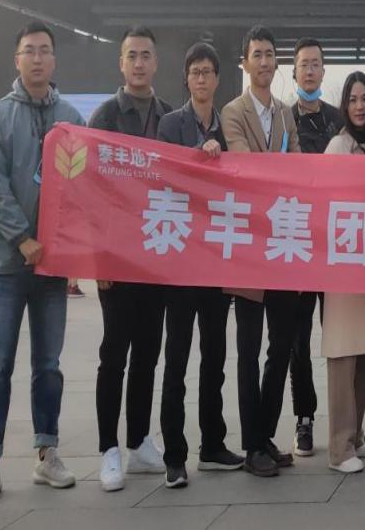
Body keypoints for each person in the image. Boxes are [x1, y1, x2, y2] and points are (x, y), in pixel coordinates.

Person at [0, 21, 83, 504]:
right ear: (17, 60)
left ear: (54, 59)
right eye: (29, 51)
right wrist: (23, 239)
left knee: (48, 364)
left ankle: (47, 452)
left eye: (45, 50)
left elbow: (82, 187)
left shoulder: (69, 118)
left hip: (52, 267)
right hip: (7, 264)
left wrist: (70, 245)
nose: (38, 58)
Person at [155, 43, 244, 488]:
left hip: (215, 257)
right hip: (180, 258)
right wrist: (197, 154)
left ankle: (212, 444)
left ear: (217, 79)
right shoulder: (171, 124)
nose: (202, 78)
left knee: (215, 357)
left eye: (208, 71)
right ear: (186, 78)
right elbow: (162, 175)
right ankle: (174, 455)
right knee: (176, 359)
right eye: (195, 72)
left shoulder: (228, 127)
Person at [89, 25, 174, 491]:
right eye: (132, 56)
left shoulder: (168, 117)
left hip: (156, 253)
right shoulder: (105, 116)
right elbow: (91, 190)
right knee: (114, 354)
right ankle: (109, 449)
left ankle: (140, 441)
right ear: (121, 63)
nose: (139, 63)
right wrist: (99, 258)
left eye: (146, 55)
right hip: (117, 258)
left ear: (156, 63)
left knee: (147, 352)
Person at [221, 25, 302, 477]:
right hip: (249, 247)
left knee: (281, 346)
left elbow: (298, 170)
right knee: (249, 350)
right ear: (245, 62)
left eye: (270, 54)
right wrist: (278, 170)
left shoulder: (287, 115)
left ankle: (265, 435)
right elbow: (245, 167)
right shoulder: (233, 112)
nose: (265, 61)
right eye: (257, 54)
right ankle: (251, 445)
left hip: (284, 243)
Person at [321, 72, 365, 473]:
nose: (360, 106)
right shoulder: (338, 147)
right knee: (344, 352)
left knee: (364, 350)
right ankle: (338, 447)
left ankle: (356, 434)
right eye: (353, 99)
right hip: (344, 264)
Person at [288, 38, 343, 459]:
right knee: (298, 339)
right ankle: (304, 417)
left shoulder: (339, 121)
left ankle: (347, 422)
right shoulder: (283, 120)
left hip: (337, 242)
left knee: (342, 336)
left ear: (324, 72)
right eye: (303, 64)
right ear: (295, 72)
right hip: (298, 242)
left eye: (316, 64)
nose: (309, 71)